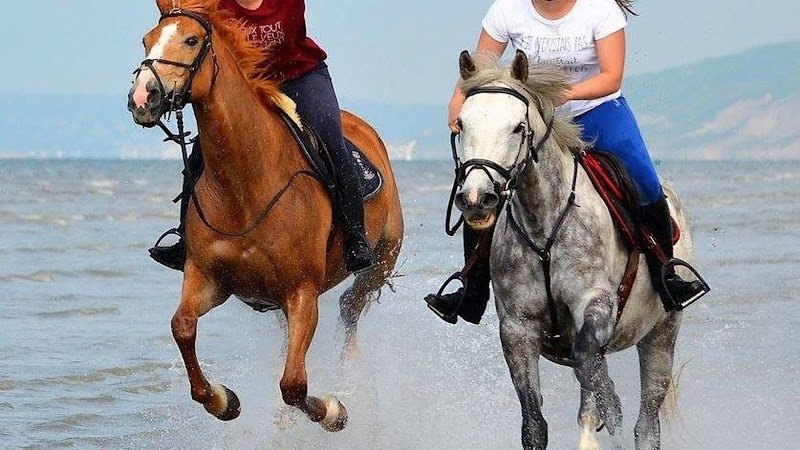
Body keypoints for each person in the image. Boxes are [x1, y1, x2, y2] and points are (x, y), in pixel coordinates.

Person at [425, 0, 705, 324]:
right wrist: (458, 101)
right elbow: (479, 70)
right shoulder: (506, 9)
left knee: (643, 178)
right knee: (482, 186)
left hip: (596, 112)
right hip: (530, 119)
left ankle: (666, 273)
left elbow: (612, 77)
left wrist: (566, 94)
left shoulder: (599, 9)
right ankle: (472, 291)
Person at [149, 0, 375, 274]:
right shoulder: (213, 4)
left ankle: (355, 238)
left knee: (330, 138)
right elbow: (179, 16)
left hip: (299, 76)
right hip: (247, 82)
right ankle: (186, 240)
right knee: (203, 149)